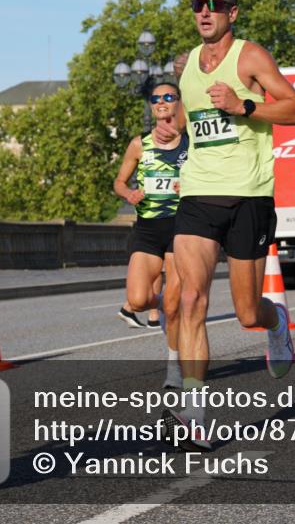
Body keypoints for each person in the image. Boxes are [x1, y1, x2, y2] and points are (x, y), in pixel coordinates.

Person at [162, 0, 295, 452]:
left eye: (214, 5)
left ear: (233, 13)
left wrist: (245, 104)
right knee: (190, 301)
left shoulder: (250, 56)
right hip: (199, 195)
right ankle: (195, 411)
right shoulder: (187, 68)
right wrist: (168, 127)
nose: (204, 11)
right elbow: (192, 122)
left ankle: (278, 325)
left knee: (248, 312)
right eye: (197, 4)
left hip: (249, 196)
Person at [112, 82, 188, 389]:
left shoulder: (191, 141)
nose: (161, 102)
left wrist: (192, 185)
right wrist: (129, 194)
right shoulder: (139, 144)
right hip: (146, 228)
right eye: (156, 98)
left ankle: (174, 366)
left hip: (182, 226)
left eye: (168, 97)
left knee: (172, 302)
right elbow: (119, 181)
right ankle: (170, 310)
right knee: (139, 299)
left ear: (178, 103)